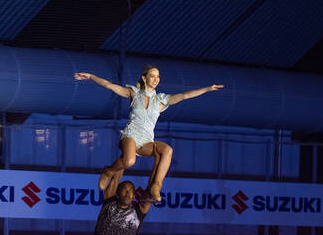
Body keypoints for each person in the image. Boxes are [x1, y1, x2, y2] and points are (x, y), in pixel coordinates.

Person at [74, 65, 224, 202]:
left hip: (146, 141)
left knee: (167, 150)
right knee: (129, 161)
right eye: (152, 76)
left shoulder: (161, 100)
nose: (156, 79)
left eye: (158, 77)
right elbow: (110, 86)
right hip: (130, 136)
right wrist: (91, 76)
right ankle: (109, 171)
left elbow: (185, 96)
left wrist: (208, 89)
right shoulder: (134, 93)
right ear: (145, 78)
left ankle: (155, 186)